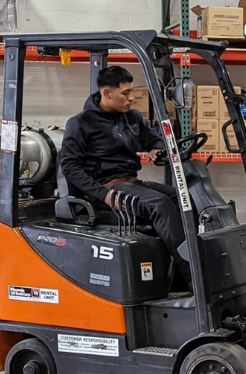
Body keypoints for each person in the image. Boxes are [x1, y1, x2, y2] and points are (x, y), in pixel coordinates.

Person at [59, 66, 191, 283]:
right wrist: (102, 194)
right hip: (107, 188)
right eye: (126, 93)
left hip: (131, 182)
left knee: (183, 197)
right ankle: (192, 277)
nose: (131, 98)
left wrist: (157, 148)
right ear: (107, 93)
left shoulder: (132, 118)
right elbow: (70, 167)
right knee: (160, 205)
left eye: (132, 91)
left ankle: (179, 271)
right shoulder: (81, 123)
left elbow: (152, 138)